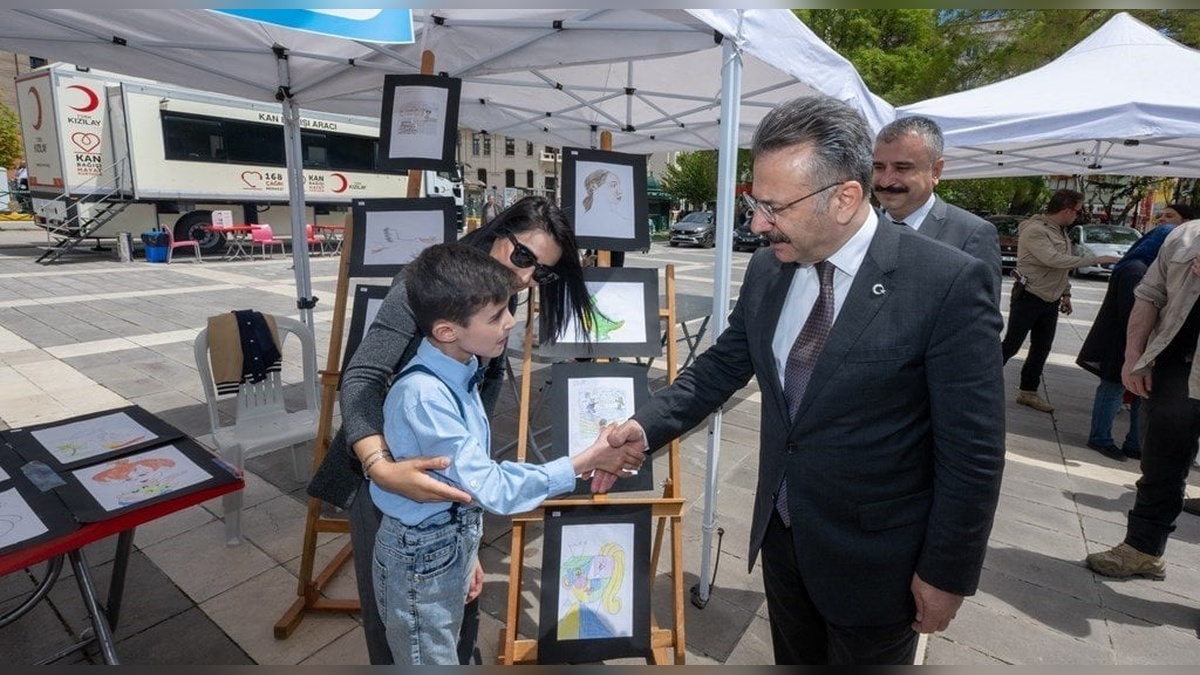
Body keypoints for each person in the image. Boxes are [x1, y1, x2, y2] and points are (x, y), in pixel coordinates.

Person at [599, 95, 1006, 665]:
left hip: (879, 563)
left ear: (844, 198)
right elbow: (722, 366)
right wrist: (644, 427)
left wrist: (947, 573)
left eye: (773, 207)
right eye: (754, 203)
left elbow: (974, 453)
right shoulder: (770, 268)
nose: (758, 224)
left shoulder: (946, 282)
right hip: (784, 541)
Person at [306, 195, 595, 665]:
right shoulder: (432, 286)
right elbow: (361, 377)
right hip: (383, 470)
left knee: (456, 617)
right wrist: (381, 467)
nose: (524, 278)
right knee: (400, 630)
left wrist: (466, 538)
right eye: (523, 257)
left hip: (451, 495)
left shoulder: (496, 300)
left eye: (539, 272)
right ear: (499, 231)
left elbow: (482, 400)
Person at [371, 242, 644, 665]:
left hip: (442, 548)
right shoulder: (424, 396)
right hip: (420, 560)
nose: (510, 323)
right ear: (447, 331)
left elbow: (464, 482)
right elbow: (491, 486)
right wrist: (581, 462)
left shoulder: (460, 370)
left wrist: (466, 554)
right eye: (496, 316)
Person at [1085, 218, 1200, 578]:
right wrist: (1134, 355)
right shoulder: (1186, 236)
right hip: (1173, 372)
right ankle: (1143, 550)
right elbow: (1149, 294)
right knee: (1159, 468)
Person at [1000, 189, 1120, 413]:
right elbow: (1053, 259)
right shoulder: (1036, 230)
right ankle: (978, 381)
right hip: (1029, 295)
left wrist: (1066, 294)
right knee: (1012, 344)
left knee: (1042, 347)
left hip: (1050, 298)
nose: (1078, 215)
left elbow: (1060, 271)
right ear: (1066, 210)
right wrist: (1095, 259)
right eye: (1077, 211)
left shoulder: (1060, 231)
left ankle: (1028, 392)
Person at [872, 116, 1001, 305]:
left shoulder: (972, 235)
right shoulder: (859, 226)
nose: (886, 180)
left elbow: (978, 326)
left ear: (936, 171)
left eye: (902, 168)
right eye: (879, 167)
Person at [1076, 223, 1176, 462]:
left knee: (1141, 393)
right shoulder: (1135, 269)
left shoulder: (1146, 268)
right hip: (1119, 343)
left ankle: (1135, 443)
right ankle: (1101, 438)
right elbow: (1132, 310)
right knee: (1112, 390)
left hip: (1136, 344)